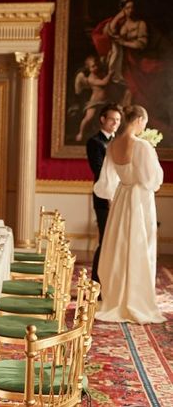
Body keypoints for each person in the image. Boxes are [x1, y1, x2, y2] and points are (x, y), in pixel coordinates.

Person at [94, 105, 165, 324]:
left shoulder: (113, 144)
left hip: (121, 197)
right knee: (139, 246)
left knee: (119, 246)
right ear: (139, 120)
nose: (145, 126)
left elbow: (105, 183)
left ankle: (116, 297)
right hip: (139, 200)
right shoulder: (142, 146)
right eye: (144, 122)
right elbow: (151, 181)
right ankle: (136, 299)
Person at [91, 0, 164, 109]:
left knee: (133, 89)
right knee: (119, 88)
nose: (131, 10)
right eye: (127, 8)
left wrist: (123, 42)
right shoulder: (121, 22)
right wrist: (118, 17)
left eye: (132, 7)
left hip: (134, 60)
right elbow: (108, 32)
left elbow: (141, 44)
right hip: (120, 60)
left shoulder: (140, 24)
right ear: (123, 9)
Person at [86, 103, 122, 285]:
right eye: (112, 120)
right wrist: (110, 195)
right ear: (102, 119)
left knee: (117, 240)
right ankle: (96, 283)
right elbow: (98, 170)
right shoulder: (94, 142)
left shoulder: (120, 141)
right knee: (106, 239)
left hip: (121, 196)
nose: (115, 123)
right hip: (103, 198)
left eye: (118, 120)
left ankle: (112, 281)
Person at [74, 55, 114, 142]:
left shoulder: (101, 73)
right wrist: (110, 74)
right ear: (89, 69)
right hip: (95, 101)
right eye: (93, 66)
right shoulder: (91, 78)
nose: (96, 68)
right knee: (89, 117)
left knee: (106, 118)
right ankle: (80, 133)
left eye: (97, 65)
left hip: (104, 101)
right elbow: (104, 82)